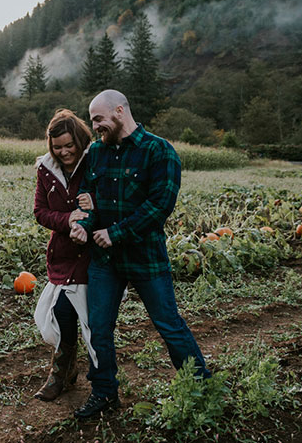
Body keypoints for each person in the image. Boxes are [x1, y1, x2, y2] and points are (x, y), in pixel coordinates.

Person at [70, 89, 211, 419]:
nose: (95, 127)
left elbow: (159, 206)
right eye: (93, 121)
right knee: (98, 329)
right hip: (105, 261)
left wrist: (115, 233)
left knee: (168, 324)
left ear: (119, 111)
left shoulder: (159, 151)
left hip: (145, 256)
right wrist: (84, 224)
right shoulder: (96, 153)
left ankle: (201, 388)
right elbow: (88, 198)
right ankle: (104, 393)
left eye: (99, 119)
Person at [32, 109, 96, 401]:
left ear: (80, 141)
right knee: (61, 314)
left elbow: (110, 200)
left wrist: (92, 209)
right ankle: (64, 372)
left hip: (93, 252)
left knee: (88, 318)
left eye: (69, 145)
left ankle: (94, 377)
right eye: (57, 147)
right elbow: (40, 212)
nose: (64, 152)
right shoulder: (46, 169)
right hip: (62, 253)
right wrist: (68, 218)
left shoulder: (95, 161)